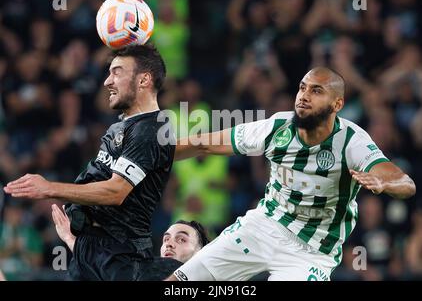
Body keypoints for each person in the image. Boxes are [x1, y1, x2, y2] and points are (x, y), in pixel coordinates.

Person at [166, 67, 416, 281]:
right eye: (302, 88)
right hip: (263, 226)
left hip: (312, 249)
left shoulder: (352, 142)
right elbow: (204, 143)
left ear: (337, 104)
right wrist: (150, 157)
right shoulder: (277, 127)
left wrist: (383, 182)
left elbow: (405, 182)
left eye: (316, 91)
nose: (304, 96)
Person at [4, 44, 176, 281]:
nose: (107, 81)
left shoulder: (151, 129)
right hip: (90, 250)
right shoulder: (120, 127)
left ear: (144, 80)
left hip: (121, 258)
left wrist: (49, 188)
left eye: (116, 72)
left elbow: (117, 191)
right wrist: (74, 238)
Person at [51, 204, 208, 279]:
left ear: (203, 251)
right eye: (166, 239)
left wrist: (72, 241)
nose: (169, 243)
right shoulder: (150, 267)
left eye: (182, 239)